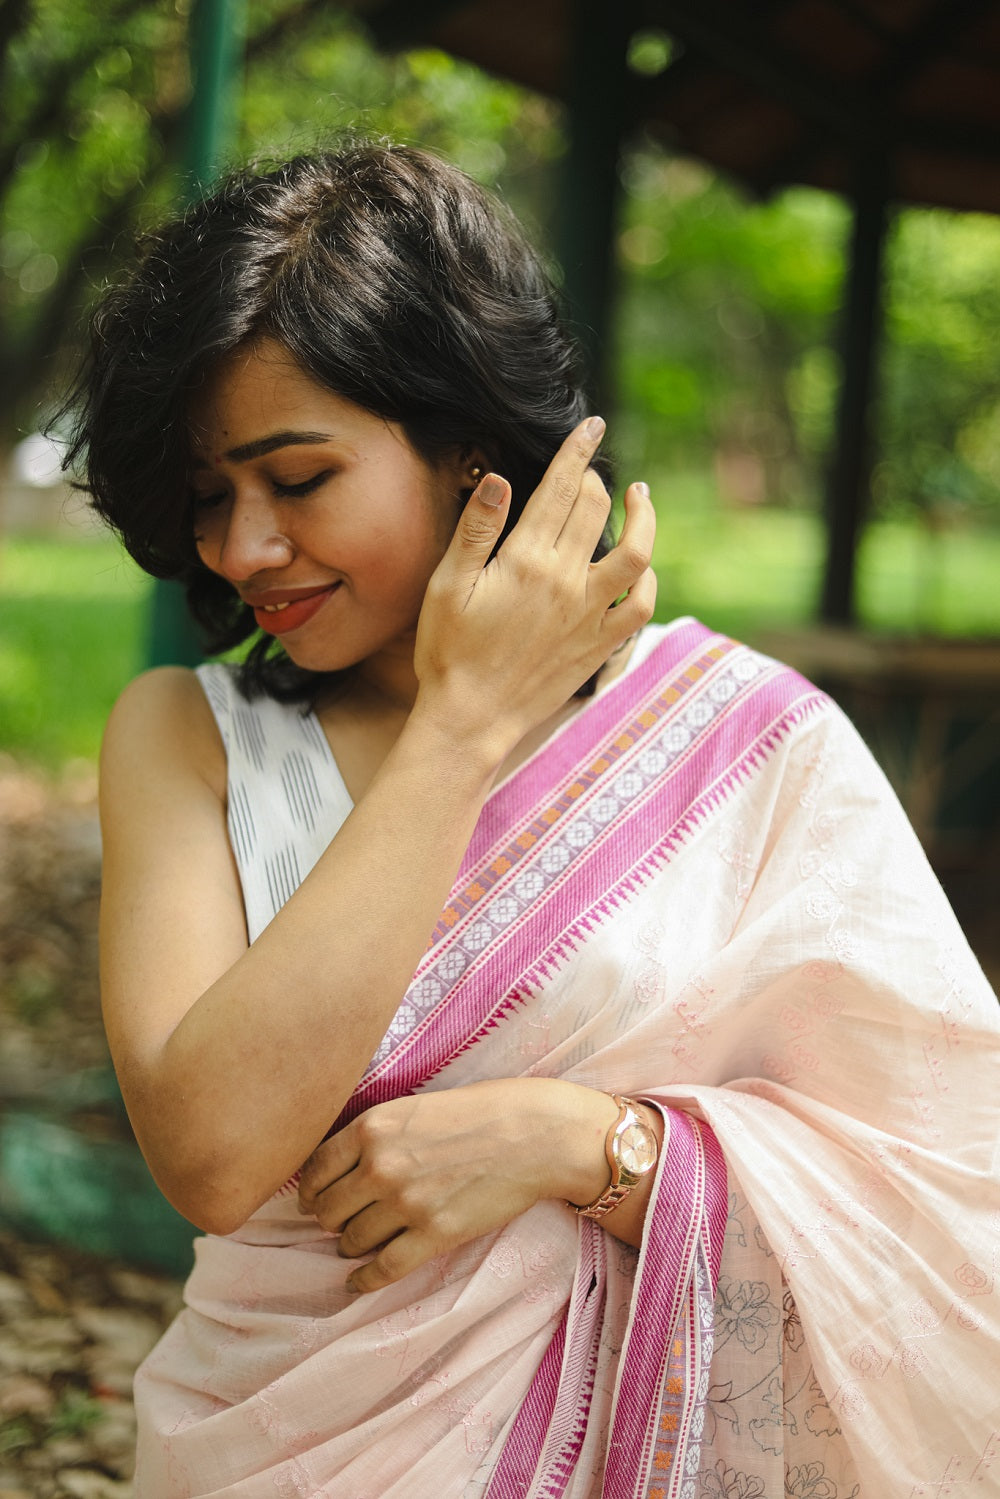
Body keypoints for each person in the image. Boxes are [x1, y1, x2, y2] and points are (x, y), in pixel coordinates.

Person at [66, 142, 999, 1499]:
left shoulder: (740, 740)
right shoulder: (187, 740)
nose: (242, 547)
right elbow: (212, 1154)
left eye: (298, 479)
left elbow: (950, 1194)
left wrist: (588, 1148)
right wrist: (458, 729)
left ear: (460, 446)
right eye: (211, 496)